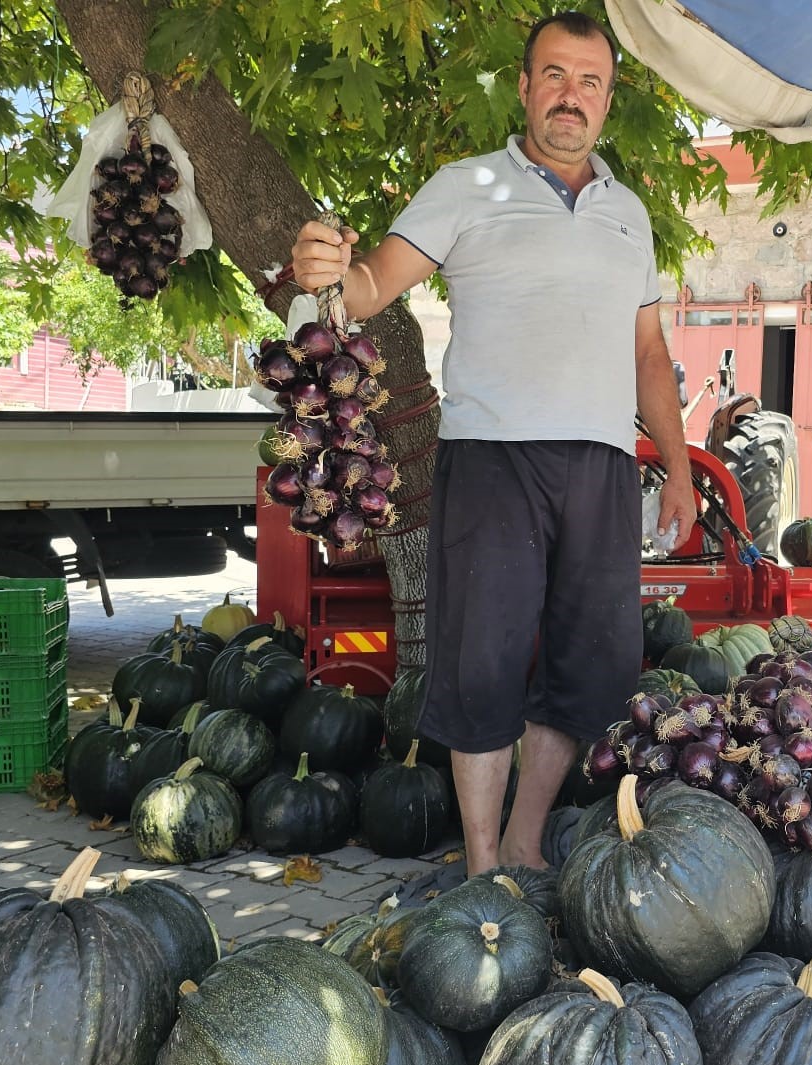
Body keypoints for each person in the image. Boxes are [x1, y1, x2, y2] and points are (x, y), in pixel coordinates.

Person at [289, 11, 695, 875]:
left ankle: (524, 836)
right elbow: (369, 287)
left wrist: (681, 469)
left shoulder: (631, 215)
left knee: (591, 669)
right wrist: (327, 269)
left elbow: (648, 351)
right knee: (481, 667)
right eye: (554, 75)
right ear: (523, 86)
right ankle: (482, 867)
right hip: (491, 461)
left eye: (589, 81)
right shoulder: (466, 184)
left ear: (609, 98)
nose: (570, 96)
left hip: (601, 466)